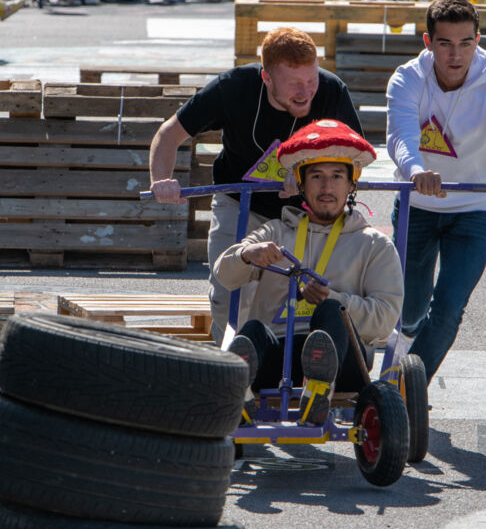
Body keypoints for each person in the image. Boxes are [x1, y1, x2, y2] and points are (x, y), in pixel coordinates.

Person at [148, 27, 362, 343]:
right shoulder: (234, 87)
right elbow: (169, 134)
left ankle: (293, 371)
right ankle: (233, 370)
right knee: (228, 293)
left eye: (311, 80)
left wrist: (308, 171)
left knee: (302, 298)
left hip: (303, 213)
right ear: (267, 78)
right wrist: (161, 180)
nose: (306, 92)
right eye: (295, 84)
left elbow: (355, 156)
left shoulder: (331, 91)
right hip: (239, 202)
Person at [214, 120, 404, 426]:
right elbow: (224, 276)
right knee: (251, 332)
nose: (327, 187)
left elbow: (385, 320)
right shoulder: (275, 231)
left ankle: (318, 389)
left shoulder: (375, 245)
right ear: (301, 184)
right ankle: (240, 394)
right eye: (316, 176)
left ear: (351, 184)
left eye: (336, 177)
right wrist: (247, 255)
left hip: (345, 361)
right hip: (279, 352)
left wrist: (336, 299)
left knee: (330, 309)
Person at [385, 0, 486, 382]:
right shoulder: (407, 79)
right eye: (445, 43)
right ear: (427, 42)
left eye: (466, 43)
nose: (456, 54)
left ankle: (404, 389)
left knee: (449, 308)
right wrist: (416, 170)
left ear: (478, 40)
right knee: (410, 310)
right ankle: (398, 355)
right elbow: (400, 137)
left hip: (474, 210)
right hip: (417, 205)